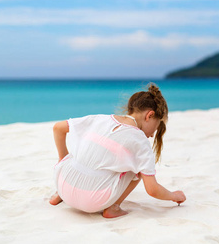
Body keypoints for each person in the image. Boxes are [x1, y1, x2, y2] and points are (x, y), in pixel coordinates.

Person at [49, 83, 186, 218]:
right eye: (155, 129)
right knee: (138, 168)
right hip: (93, 201)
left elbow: (58, 128)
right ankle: (113, 207)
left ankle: (59, 195)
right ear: (149, 115)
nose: (151, 135)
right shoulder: (141, 141)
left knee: (80, 154)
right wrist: (174, 196)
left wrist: (63, 160)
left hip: (62, 183)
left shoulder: (100, 119)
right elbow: (152, 189)